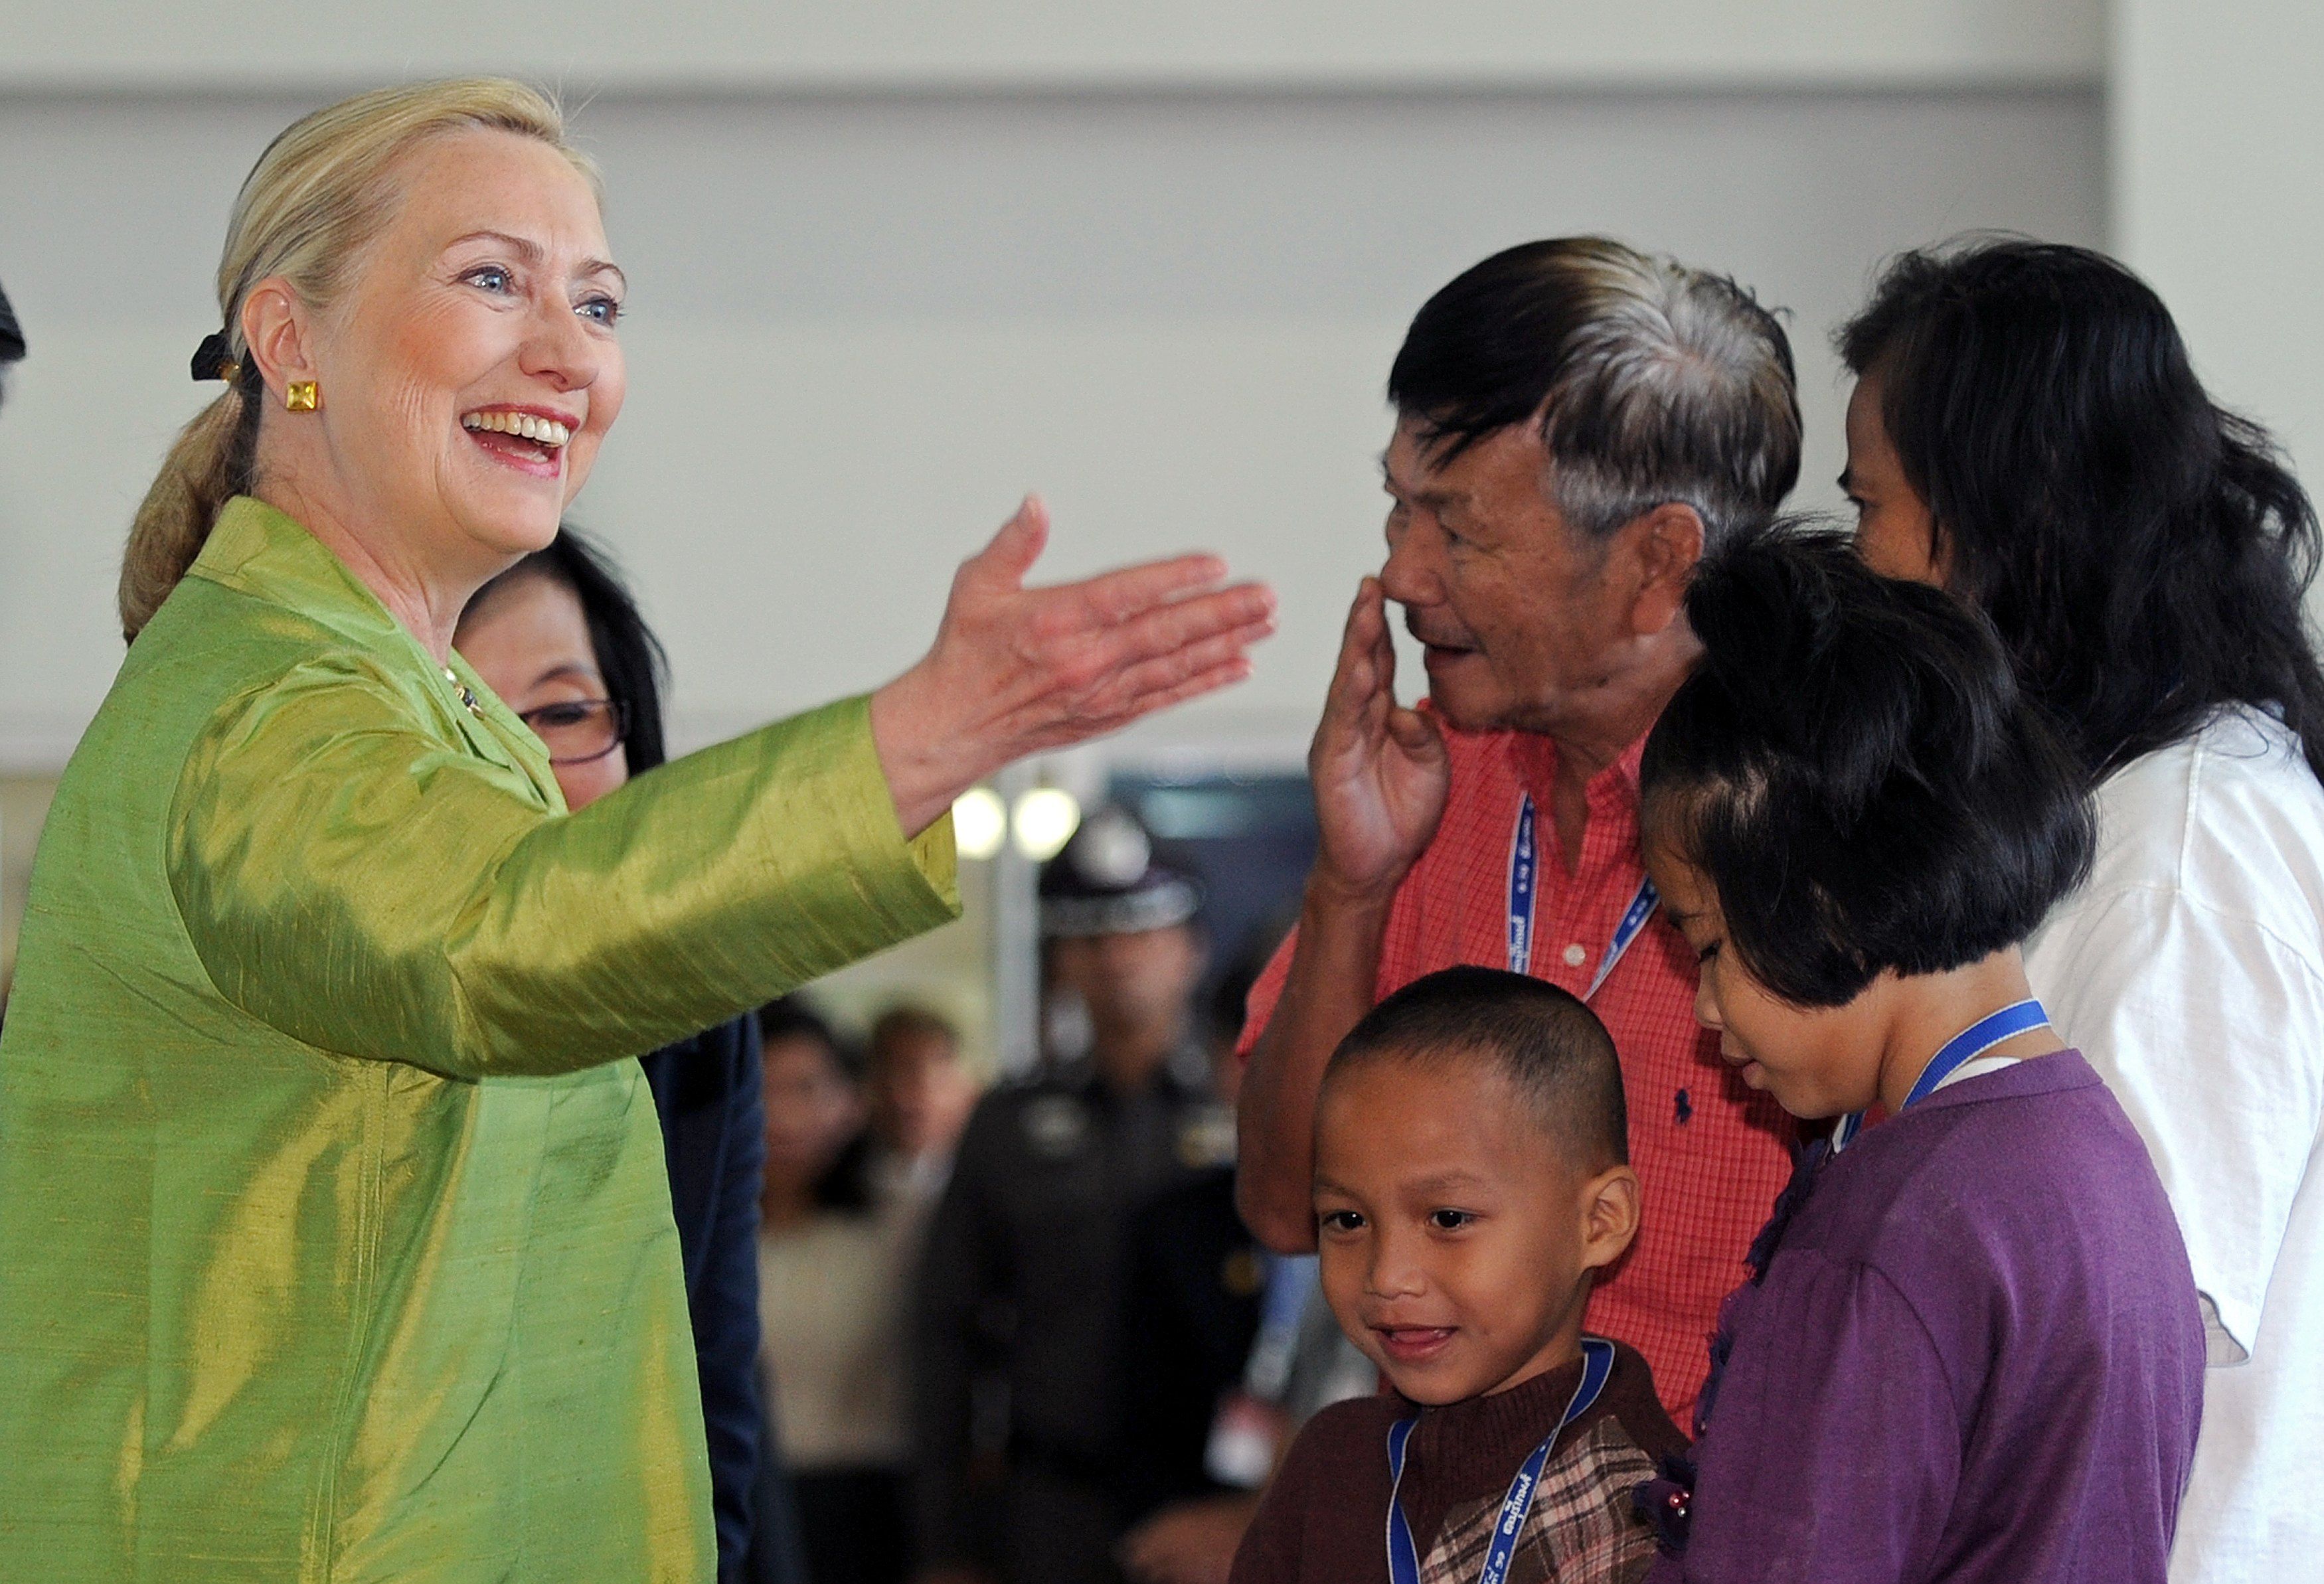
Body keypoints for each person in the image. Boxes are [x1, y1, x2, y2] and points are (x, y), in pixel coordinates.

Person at [0, 78, 1273, 1584]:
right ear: (291, 344)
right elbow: (493, 938)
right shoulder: (266, 693)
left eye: (599, 303)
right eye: (492, 279)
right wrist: (932, 731)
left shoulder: (406, 698)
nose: (568, 354)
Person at [1234, 238, 1802, 1421]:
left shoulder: (1815, 837)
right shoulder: (1435, 785)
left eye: (1459, 531)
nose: (1398, 574)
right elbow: (1287, 1207)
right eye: (1398, 508)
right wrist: (1352, 886)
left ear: (1657, 562)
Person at [1834, 238, 2324, 1583]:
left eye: (1866, 501)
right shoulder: (2107, 809)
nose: (1854, 557)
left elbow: (2110, 1330)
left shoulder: (2184, 848)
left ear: (1993, 522)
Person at [1636, 528, 2204, 1582]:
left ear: (1824, 898)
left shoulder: (1883, 1231)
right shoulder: (2099, 1157)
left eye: (1708, 944)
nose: (1709, 1010)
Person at [454, 528, 774, 1581]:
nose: (526, 765)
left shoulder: (698, 1016)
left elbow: (711, 1389)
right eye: (468, 719)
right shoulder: (325, 1002)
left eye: (562, 712)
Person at [1230, 967, 1681, 1584]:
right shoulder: (1335, 1465)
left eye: (1447, 1218)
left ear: (1600, 1222)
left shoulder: (1651, 1506)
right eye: (1347, 1219)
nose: (1388, 1276)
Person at [915, 807, 1232, 1584]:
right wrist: (946, 1543)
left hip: (1216, 1502)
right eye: (1091, 936)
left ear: (1190, 951)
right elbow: (945, 1335)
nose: (1117, 958)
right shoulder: (1005, 1123)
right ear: (1062, 959)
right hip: (1049, 1506)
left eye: (1142, 932)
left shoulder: (1246, 1113)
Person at [754, 998, 942, 1584]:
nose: (782, 1116)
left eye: (806, 1088)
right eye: (761, 1090)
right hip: (744, 1505)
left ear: (851, 1100)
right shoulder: (696, 1242)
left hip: (874, 1508)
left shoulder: (905, 1220)